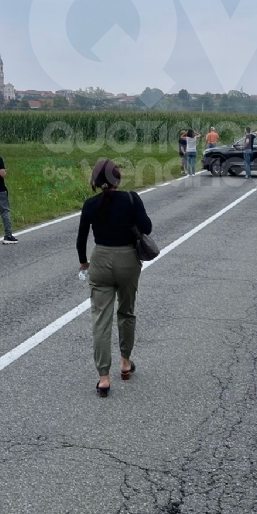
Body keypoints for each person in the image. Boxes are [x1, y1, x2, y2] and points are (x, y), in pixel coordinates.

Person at [77, 159, 153, 398]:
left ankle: (103, 378)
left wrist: (84, 262)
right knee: (127, 311)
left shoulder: (90, 204)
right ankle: (125, 362)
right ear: (118, 178)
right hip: (128, 260)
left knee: (101, 319)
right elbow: (147, 227)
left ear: (97, 182)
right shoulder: (132, 199)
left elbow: (80, 240)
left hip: (100, 259)